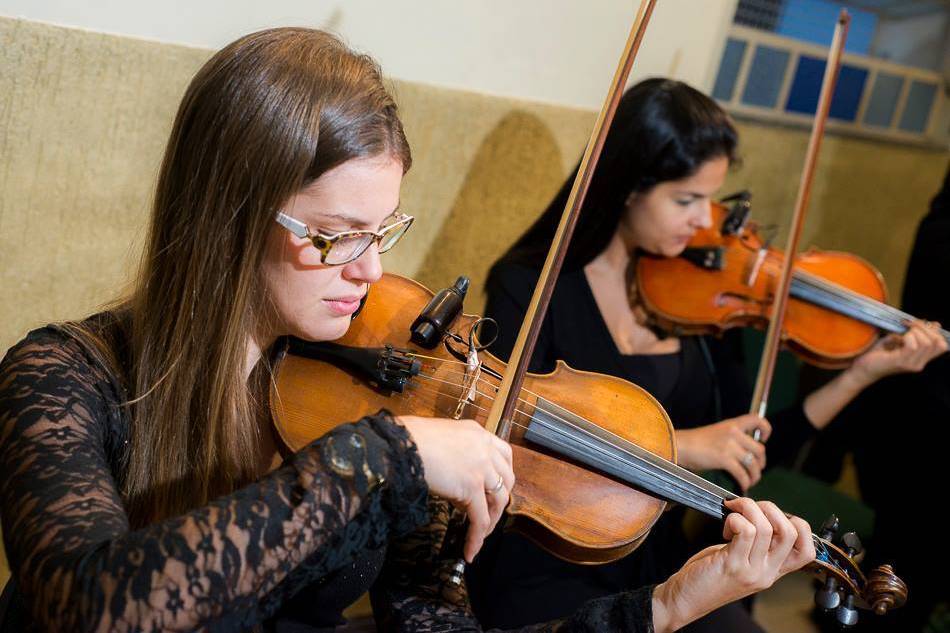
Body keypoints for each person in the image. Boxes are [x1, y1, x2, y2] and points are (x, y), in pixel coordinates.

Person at [0, 30, 816, 633]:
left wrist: (672, 604)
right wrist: (389, 456)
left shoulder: (383, 384)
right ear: (226, 219)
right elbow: (91, 606)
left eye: (383, 231)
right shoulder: (62, 376)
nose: (367, 271)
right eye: (335, 234)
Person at [468, 78, 947, 631]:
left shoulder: (700, 302)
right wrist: (685, 447)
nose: (705, 221)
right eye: (686, 199)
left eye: (712, 199)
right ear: (627, 186)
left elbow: (756, 445)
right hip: (547, 554)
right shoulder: (532, 287)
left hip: (663, 561)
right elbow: (504, 437)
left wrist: (863, 372)